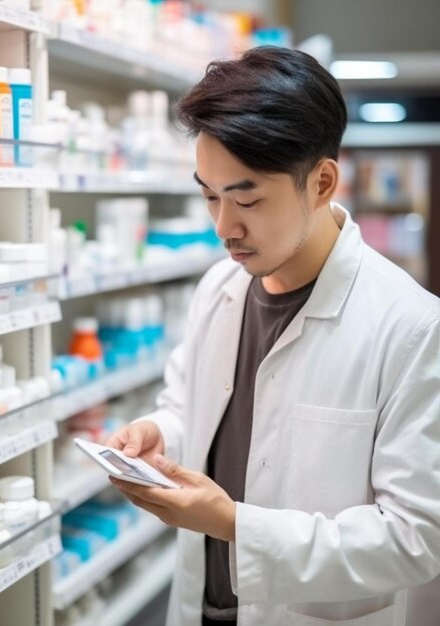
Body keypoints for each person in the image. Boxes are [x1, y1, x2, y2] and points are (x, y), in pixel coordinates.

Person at [107, 46, 440, 626]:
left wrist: (236, 524)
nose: (224, 228)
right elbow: (194, 409)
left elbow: (415, 538)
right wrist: (158, 432)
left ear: (322, 182)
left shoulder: (410, 326)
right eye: (210, 196)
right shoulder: (218, 289)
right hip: (205, 608)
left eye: (248, 199)